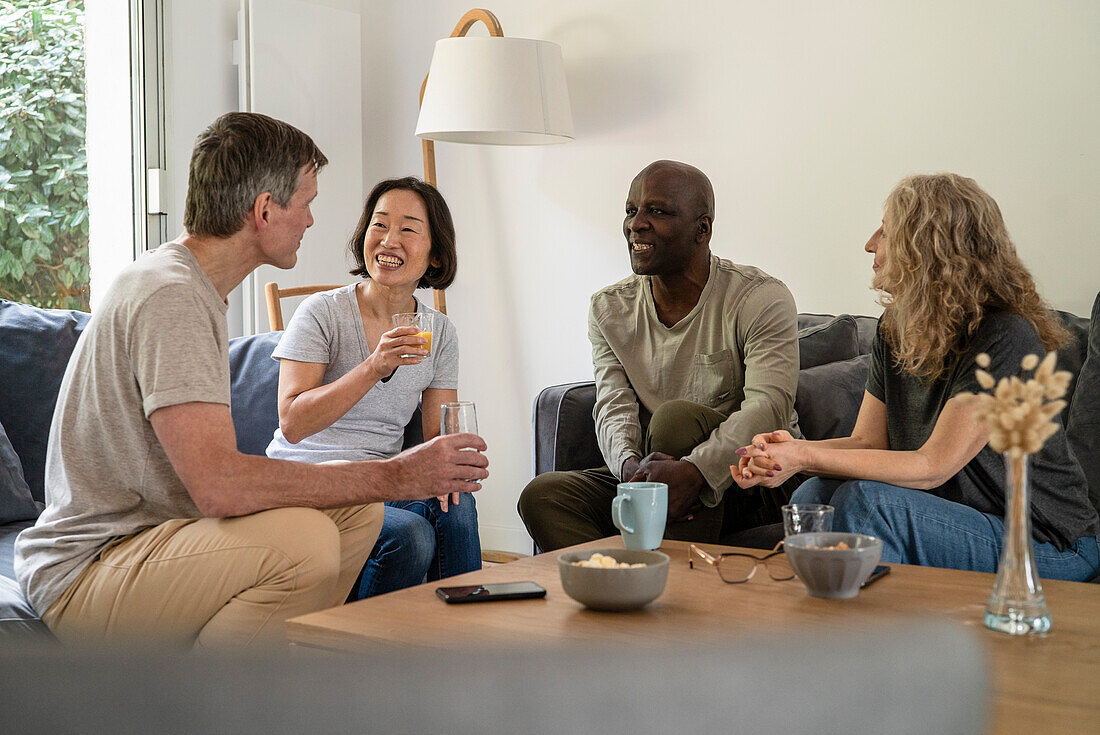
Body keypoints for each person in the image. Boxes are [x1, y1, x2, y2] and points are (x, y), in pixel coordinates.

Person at [13, 113, 489, 648]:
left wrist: (397, 478)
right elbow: (219, 487)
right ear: (265, 210)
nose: (311, 220)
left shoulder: (193, 289)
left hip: (163, 536)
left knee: (354, 516)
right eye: (305, 202)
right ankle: (224, 705)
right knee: (306, 539)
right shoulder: (170, 295)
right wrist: (393, 476)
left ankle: (311, 663)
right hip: (95, 565)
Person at [734, 173, 1099, 581]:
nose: (870, 244)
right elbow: (868, 443)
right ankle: (827, 625)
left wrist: (804, 456)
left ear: (928, 248)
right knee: (812, 495)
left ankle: (878, 636)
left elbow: (934, 465)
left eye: (887, 232)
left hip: (1046, 544)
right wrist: (790, 454)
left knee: (869, 504)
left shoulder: (1005, 335)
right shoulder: (896, 328)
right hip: (959, 519)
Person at [518, 160, 801, 552]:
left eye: (658, 211)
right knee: (545, 495)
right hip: (657, 479)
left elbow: (768, 406)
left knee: (675, 419)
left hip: (753, 478)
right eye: (631, 211)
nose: (636, 224)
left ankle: (671, 596)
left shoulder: (760, 298)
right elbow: (613, 405)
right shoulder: (609, 309)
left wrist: (696, 470)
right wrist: (630, 468)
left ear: (702, 229)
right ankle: (625, 588)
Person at [266, 177, 481, 598]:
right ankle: (360, 653)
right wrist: (373, 366)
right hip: (311, 480)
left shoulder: (439, 332)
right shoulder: (322, 313)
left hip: (382, 482)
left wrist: (455, 465)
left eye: (408, 229)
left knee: (456, 506)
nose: (389, 240)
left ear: (435, 254)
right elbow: (292, 423)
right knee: (412, 535)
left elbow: (439, 434)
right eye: (379, 225)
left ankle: (465, 647)